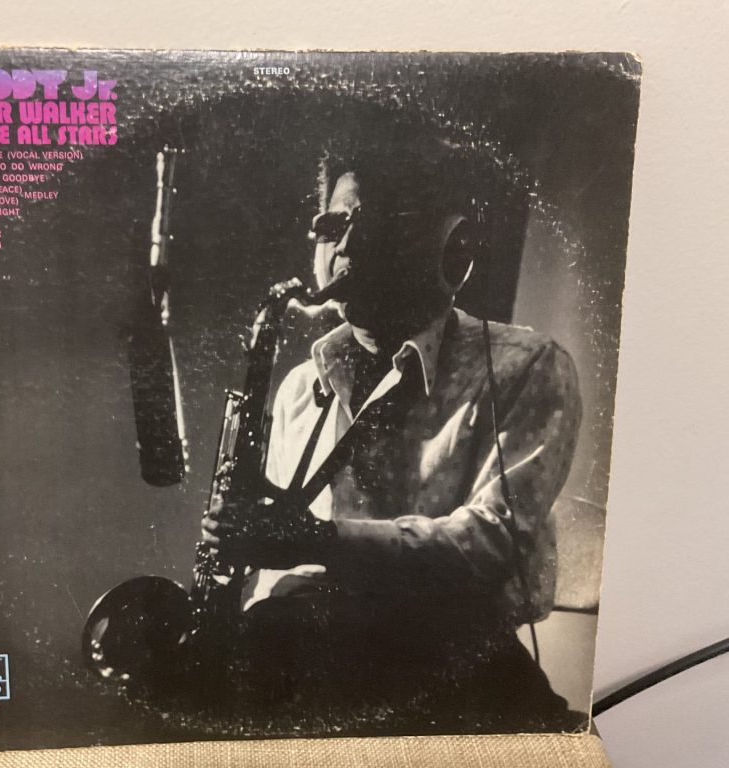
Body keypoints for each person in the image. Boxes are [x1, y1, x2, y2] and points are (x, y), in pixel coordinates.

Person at [201, 148, 584, 733]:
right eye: (333, 226)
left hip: (450, 671)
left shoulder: (526, 366)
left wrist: (316, 540)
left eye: (377, 225)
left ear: (452, 249)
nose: (347, 248)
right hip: (303, 658)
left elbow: (489, 544)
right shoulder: (300, 386)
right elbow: (273, 575)